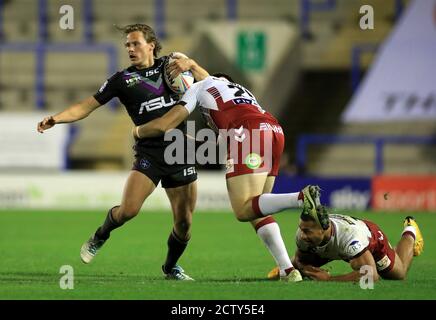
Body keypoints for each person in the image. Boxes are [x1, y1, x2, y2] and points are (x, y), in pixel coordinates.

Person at [37, 24, 209, 280]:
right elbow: (87, 106)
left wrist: (193, 66)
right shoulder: (122, 80)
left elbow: (211, 86)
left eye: (135, 43)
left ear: (151, 45)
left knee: (184, 223)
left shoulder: (172, 67)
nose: (130, 48)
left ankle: (170, 267)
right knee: (128, 210)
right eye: (127, 45)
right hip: (149, 152)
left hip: (179, 150)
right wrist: (57, 118)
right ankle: (100, 235)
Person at [131, 73, 323, 282]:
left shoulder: (201, 86)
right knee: (257, 209)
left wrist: (139, 131)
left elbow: (164, 124)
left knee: (242, 209)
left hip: (247, 132)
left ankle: (301, 198)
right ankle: (287, 269)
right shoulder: (240, 92)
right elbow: (216, 145)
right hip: (273, 130)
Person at [268, 205, 424, 282]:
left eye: (307, 231)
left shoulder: (350, 238)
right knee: (301, 263)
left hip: (371, 239)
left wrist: (329, 280)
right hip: (337, 247)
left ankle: (410, 230)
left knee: (397, 274)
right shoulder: (303, 235)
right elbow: (300, 260)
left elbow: (371, 276)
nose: (302, 235)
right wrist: (292, 268)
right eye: (301, 229)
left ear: (324, 228)